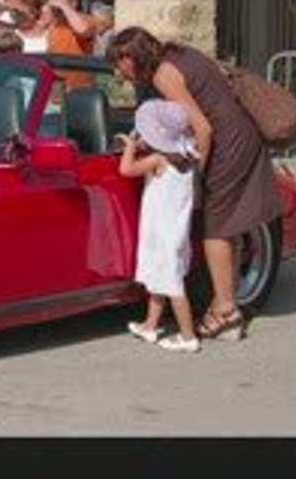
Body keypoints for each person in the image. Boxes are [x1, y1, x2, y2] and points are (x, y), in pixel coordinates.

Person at [107, 26, 284, 340]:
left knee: (215, 226)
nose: (118, 72)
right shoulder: (180, 54)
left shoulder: (164, 73)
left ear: (132, 57)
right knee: (231, 222)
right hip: (240, 135)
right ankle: (225, 299)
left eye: (119, 64)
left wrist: (194, 174)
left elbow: (202, 128)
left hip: (226, 143)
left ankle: (227, 311)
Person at [119, 99, 201, 353]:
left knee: (172, 284)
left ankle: (188, 337)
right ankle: (150, 325)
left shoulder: (157, 160)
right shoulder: (187, 159)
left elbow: (126, 169)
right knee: (160, 279)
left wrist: (131, 147)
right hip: (174, 231)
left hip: (163, 233)